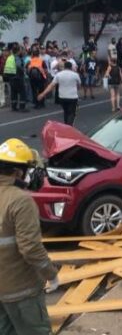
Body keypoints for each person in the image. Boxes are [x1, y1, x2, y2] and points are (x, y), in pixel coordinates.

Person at [0, 138, 58, 335]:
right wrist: (51, 274)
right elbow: (30, 248)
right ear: (17, 172)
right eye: (27, 169)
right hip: (21, 290)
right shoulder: (20, 201)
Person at [38, 61, 81, 126]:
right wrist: (76, 88)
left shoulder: (59, 75)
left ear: (64, 67)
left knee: (66, 112)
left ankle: (66, 124)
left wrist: (43, 94)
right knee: (71, 113)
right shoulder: (75, 75)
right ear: (71, 67)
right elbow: (79, 85)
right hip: (73, 97)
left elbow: (51, 85)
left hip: (62, 96)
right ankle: (69, 126)